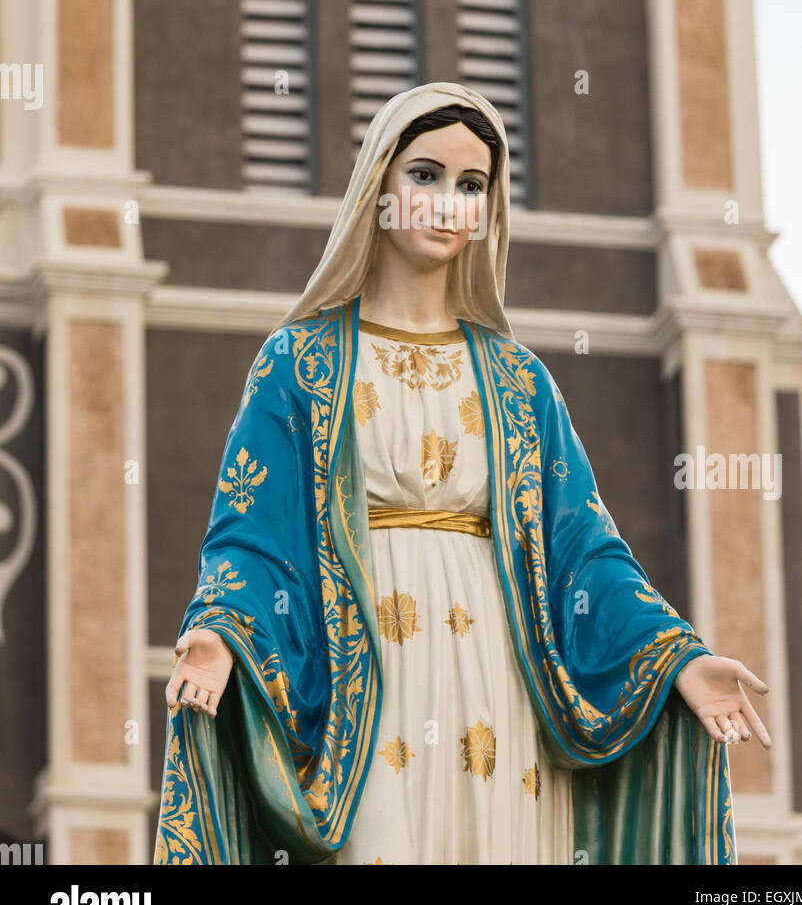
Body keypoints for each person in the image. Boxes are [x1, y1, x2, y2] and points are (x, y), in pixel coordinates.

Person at [153, 81, 770, 865]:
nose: (448, 202)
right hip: (365, 677)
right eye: (425, 175)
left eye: (471, 185)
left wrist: (674, 657)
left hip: (500, 678)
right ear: (379, 187)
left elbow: (584, 549)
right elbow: (254, 534)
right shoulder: (300, 362)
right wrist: (219, 631)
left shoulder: (518, 380)